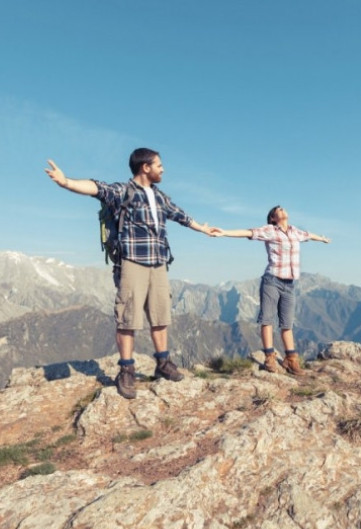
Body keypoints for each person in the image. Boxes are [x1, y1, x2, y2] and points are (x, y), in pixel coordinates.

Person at [44, 148, 220, 399]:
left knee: (160, 316)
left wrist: (202, 228)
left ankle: (163, 363)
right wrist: (66, 182)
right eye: (159, 165)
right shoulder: (123, 191)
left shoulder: (159, 197)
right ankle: (126, 370)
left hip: (158, 263)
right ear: (145, 167)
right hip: (132, 262)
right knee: (127, 318)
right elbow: (96, 188)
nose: (163, 169)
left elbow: (179, 215)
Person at [215, 205, 330, 375]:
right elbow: (248, 232)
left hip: (289, 283)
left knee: (287, 323)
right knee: (267, 320)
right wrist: (224, 232)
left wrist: (321, 238)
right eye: (278, 210)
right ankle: (269, 357)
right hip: (272, 281)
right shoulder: (270, 231)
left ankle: (291, 360)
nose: (282, 210)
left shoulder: (295, 232)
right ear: (273, 218)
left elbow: (308, 235)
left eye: (283, 209)